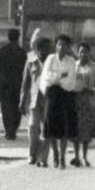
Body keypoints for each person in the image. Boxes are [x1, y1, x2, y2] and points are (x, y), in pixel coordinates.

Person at [39, 34, 78, 169]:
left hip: (65, 96)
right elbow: (46, 78)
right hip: (52, 95)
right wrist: (60, 75)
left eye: (64, 45)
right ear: (56, 46)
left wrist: (57, 77)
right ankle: (55, 154)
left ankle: (62, 157)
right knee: (50, 127)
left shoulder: (71, 61)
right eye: (59, 44)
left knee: (63, 129)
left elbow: (70, 81)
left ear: (68, 48)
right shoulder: (50, 59)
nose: (61, 47)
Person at [17, 32, 53, 166]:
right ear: (40, 49)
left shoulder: (54, 62)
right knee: (33, 127)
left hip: (50, 100)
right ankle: (32, 154)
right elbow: (25, 82)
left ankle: (42, 157)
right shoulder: (31, 62)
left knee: (47, 130)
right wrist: (22, 99)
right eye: (47, 48)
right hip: (35, 100)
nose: (50, 51)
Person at [0, 27, 27, 140]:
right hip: (18, 82)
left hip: (3, 82)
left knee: (5, 107)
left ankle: (8, 130)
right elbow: (26, 69)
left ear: (8, 37)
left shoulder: (1, 51)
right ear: (18, 38)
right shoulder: (22, 52)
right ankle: (13, 129)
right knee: (16, 107)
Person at [71, 42, 95, 168]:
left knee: (86, 130)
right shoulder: (73, 66)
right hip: (75, 101)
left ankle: (84, 156)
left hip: (89, 102)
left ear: (89, 53)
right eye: (80, 52)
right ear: (77, 53)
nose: (83, 54)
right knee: (75, 129)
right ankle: (76, 155)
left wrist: (92, 90)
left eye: (85, 51)